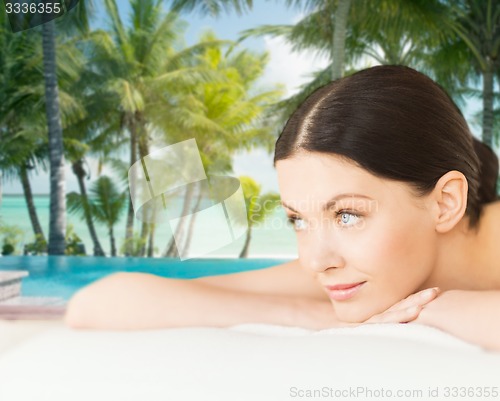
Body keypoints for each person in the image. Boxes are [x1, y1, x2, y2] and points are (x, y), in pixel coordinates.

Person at [64, 65, 500, 351]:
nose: (314, 260)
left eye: (347, 215)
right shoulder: (351, 273)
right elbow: (97, 303)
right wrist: (312, 317)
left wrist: (434, 310)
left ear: (445, 203)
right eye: (298, 219)